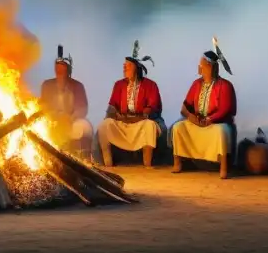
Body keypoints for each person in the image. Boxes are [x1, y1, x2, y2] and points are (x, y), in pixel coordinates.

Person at [171, 39, 237, 179]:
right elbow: (184, 107)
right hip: (197, 122)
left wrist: (209, 120)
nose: (199, 67)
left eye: (201, 64)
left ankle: (223, 167)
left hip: (215, 124)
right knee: (178, 128)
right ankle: (178, 163)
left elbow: (225, 109)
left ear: (209, 66)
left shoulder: (225, 85)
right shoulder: (196, 84)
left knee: (221, 131)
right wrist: (190, 117)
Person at [96, 41, 165, 168]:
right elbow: (111, 107)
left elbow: (151, 108)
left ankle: (147, 164)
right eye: (124, 65)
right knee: (104, 125)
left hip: (141, 122)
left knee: (149, 126)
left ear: (137, 68)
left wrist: (135, 118)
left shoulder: (150, 85)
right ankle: (108, 163)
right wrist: (115, 115)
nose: (124, 68)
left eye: (128, 65)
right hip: (124, 122)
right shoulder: (119, 85)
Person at [39, 45, 92, 157]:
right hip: (52, 121)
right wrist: (54, 116)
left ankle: (84, 159)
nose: (59, 70)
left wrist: (70, 118)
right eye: (57, 67)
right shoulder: (47, 85)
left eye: (62, 67)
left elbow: (82, 108)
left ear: (68, 69)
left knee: (85, 126)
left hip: (71, 120)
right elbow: (43, 105)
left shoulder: (77, 86)